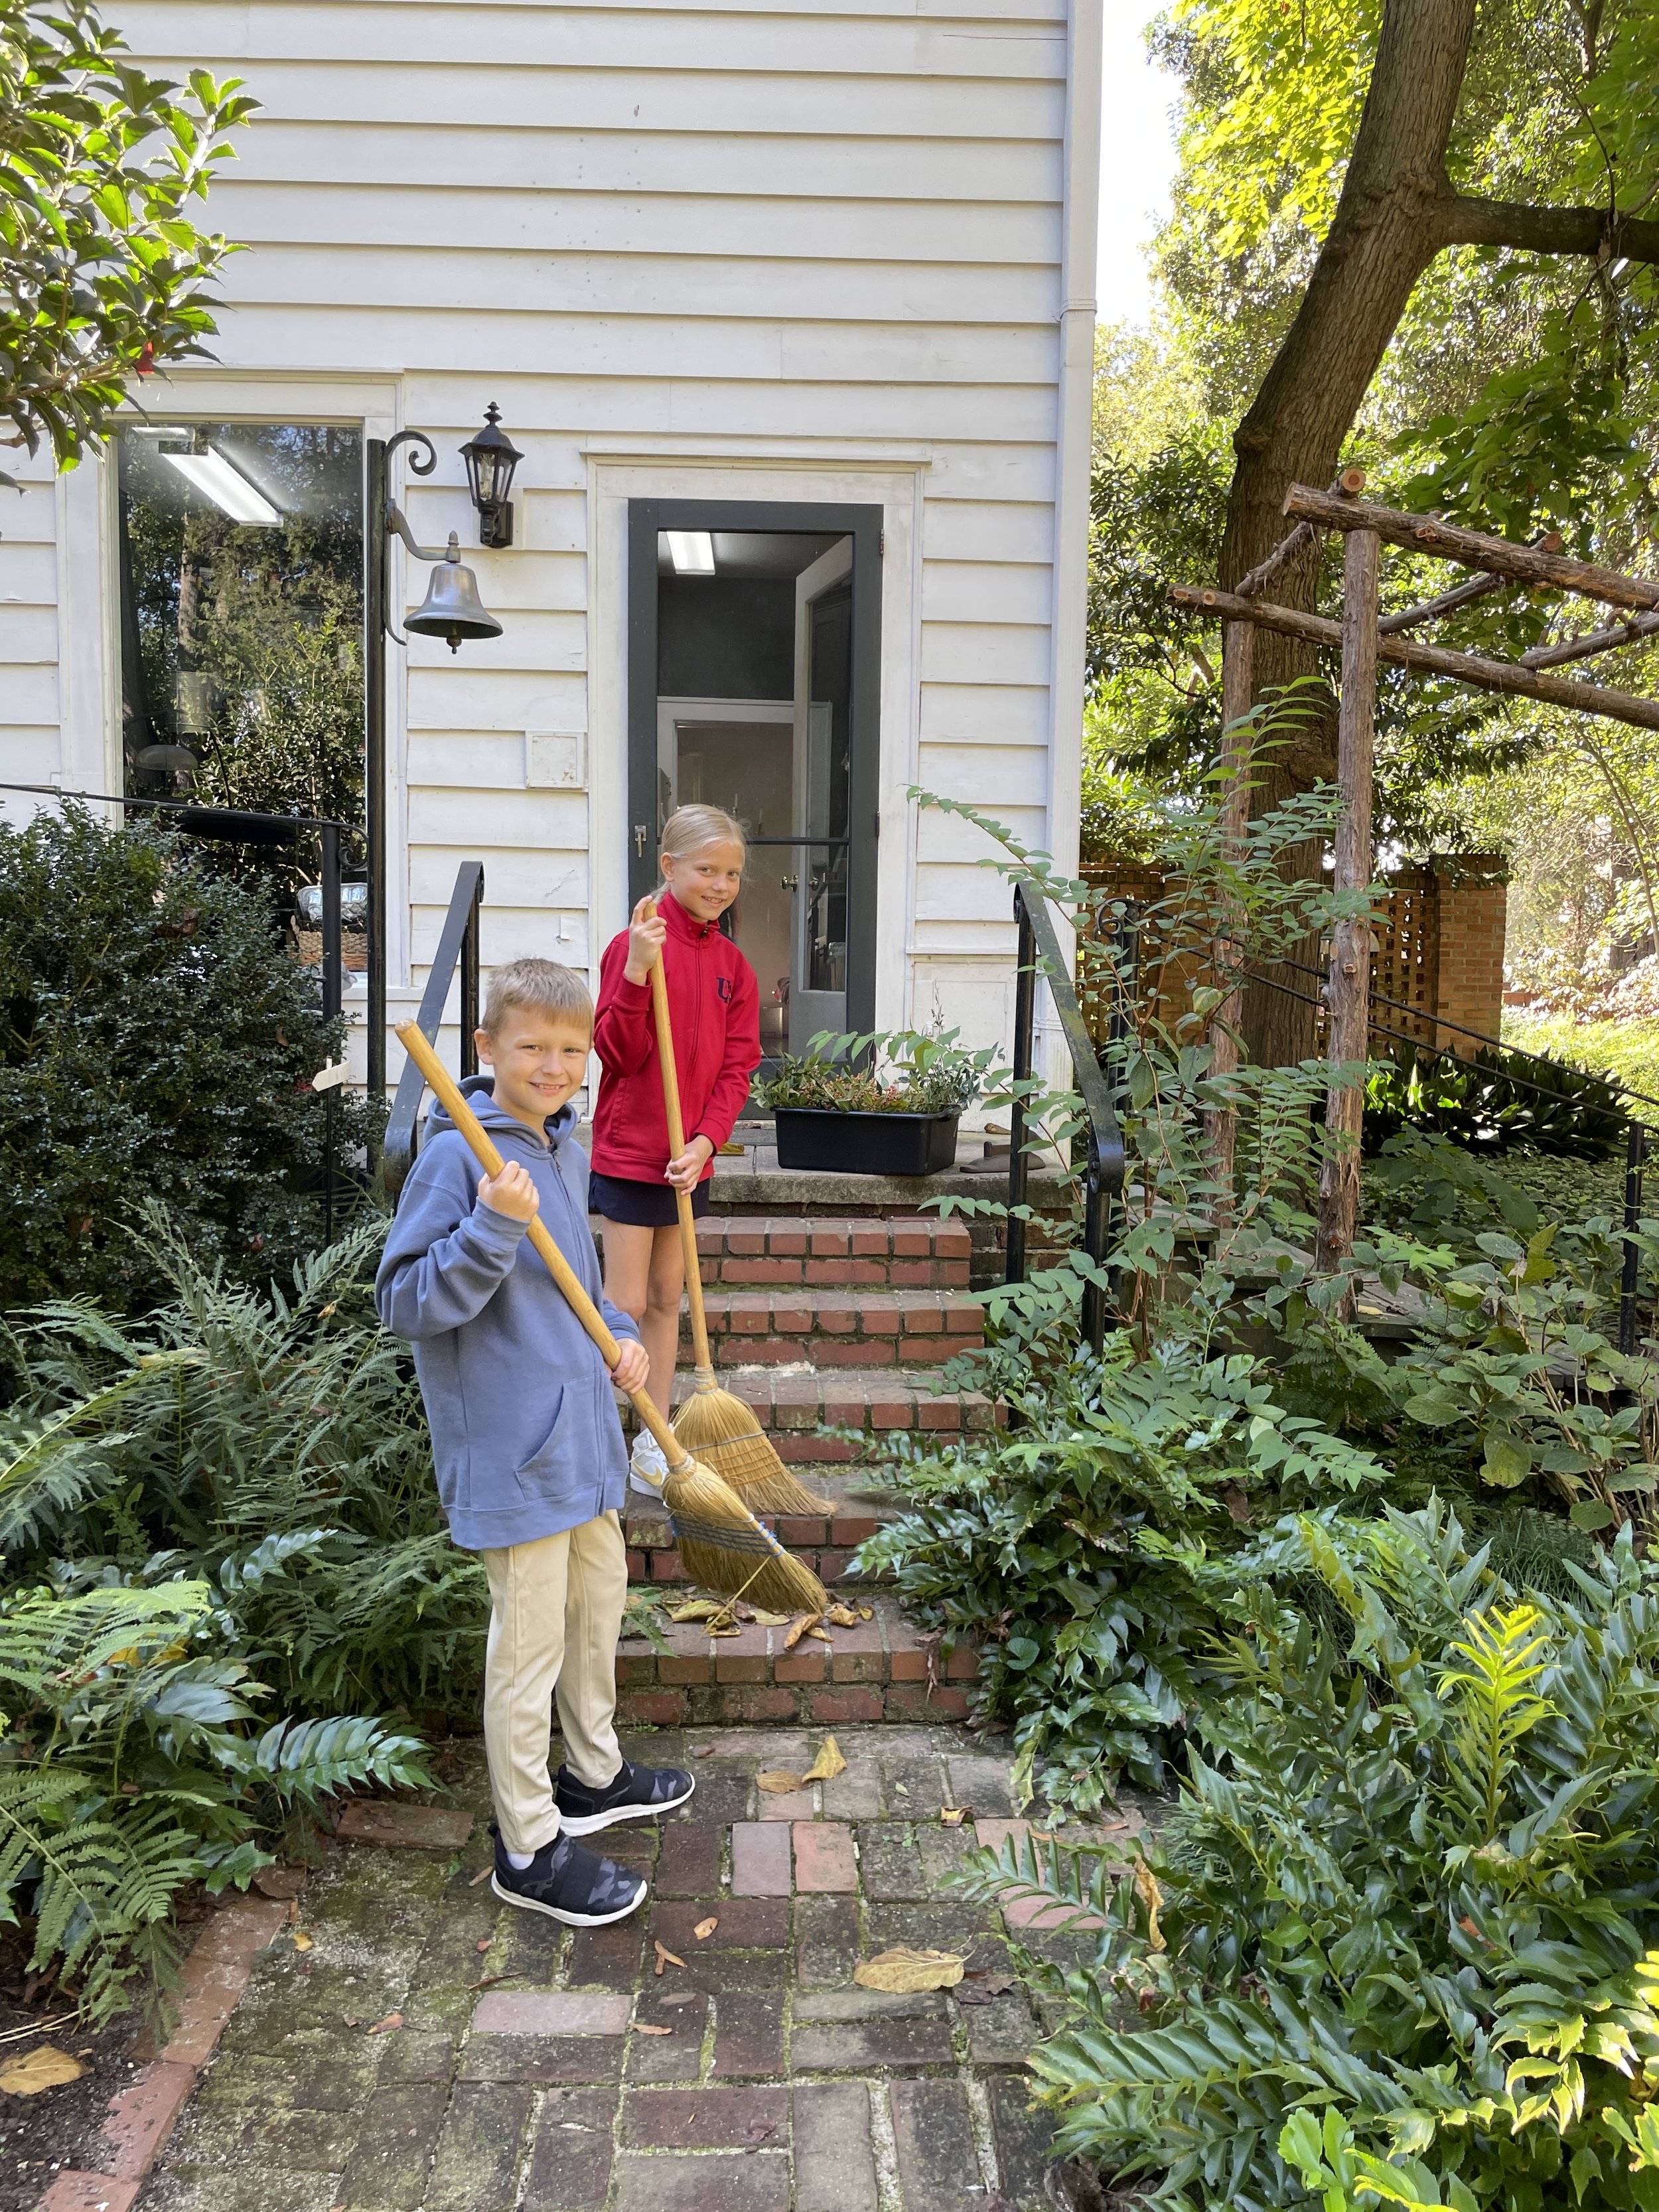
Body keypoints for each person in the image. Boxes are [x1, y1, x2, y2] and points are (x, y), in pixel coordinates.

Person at [376, 957, 693, 1927]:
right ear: (486, 1049)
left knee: (601, 1598)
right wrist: (488, 1227)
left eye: (569, 1049)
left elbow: (587, 1291)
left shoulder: (564, 1146)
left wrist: (627, 1342)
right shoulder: (457, 1156)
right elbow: (405, 1302)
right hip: (515, 1449)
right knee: (527, 1647)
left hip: (582, 1439)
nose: (554, 1066)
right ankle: (526, 1841)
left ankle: (592, 1774)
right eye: (532, 1048)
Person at [591, 804, 762, 1489]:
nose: (720, 884)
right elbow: (615, 1050)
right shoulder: (633, 946)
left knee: (667, 1297)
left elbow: (737, 1066)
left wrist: (705, 1141)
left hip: (686, 1160)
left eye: (732, 873)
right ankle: (598, 1430)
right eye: (705, 870)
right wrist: (636, 971)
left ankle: (652, 1437)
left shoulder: (733, 967)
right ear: (668, 867)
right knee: (623, 1303)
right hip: (633, 1156)